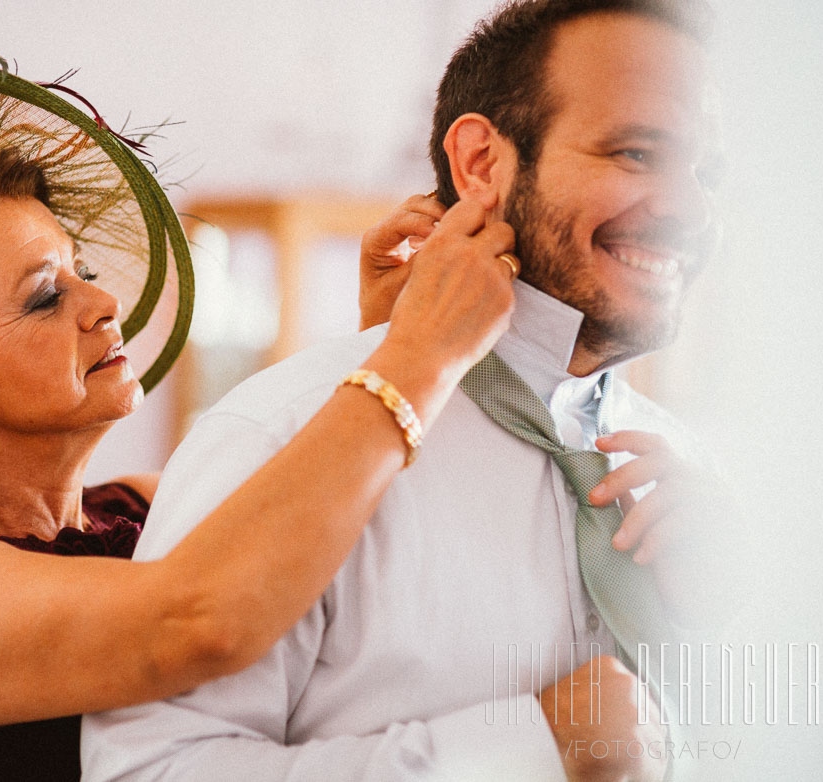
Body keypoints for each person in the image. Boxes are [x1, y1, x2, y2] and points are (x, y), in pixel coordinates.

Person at [0, 42, 524, 782]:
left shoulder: (141, 503)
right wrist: (412, 356)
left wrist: (372, 340)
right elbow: (199, 621)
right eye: (44, 296)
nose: (100, 302)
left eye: (82, 268)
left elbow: (336, 529)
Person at [81, 1, 726, 780]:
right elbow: (147, 772)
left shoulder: (696, 482)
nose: (689, 209)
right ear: (482, 164)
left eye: (707, 173)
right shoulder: (280, 429)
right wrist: (527, 752)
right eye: (633, 152)